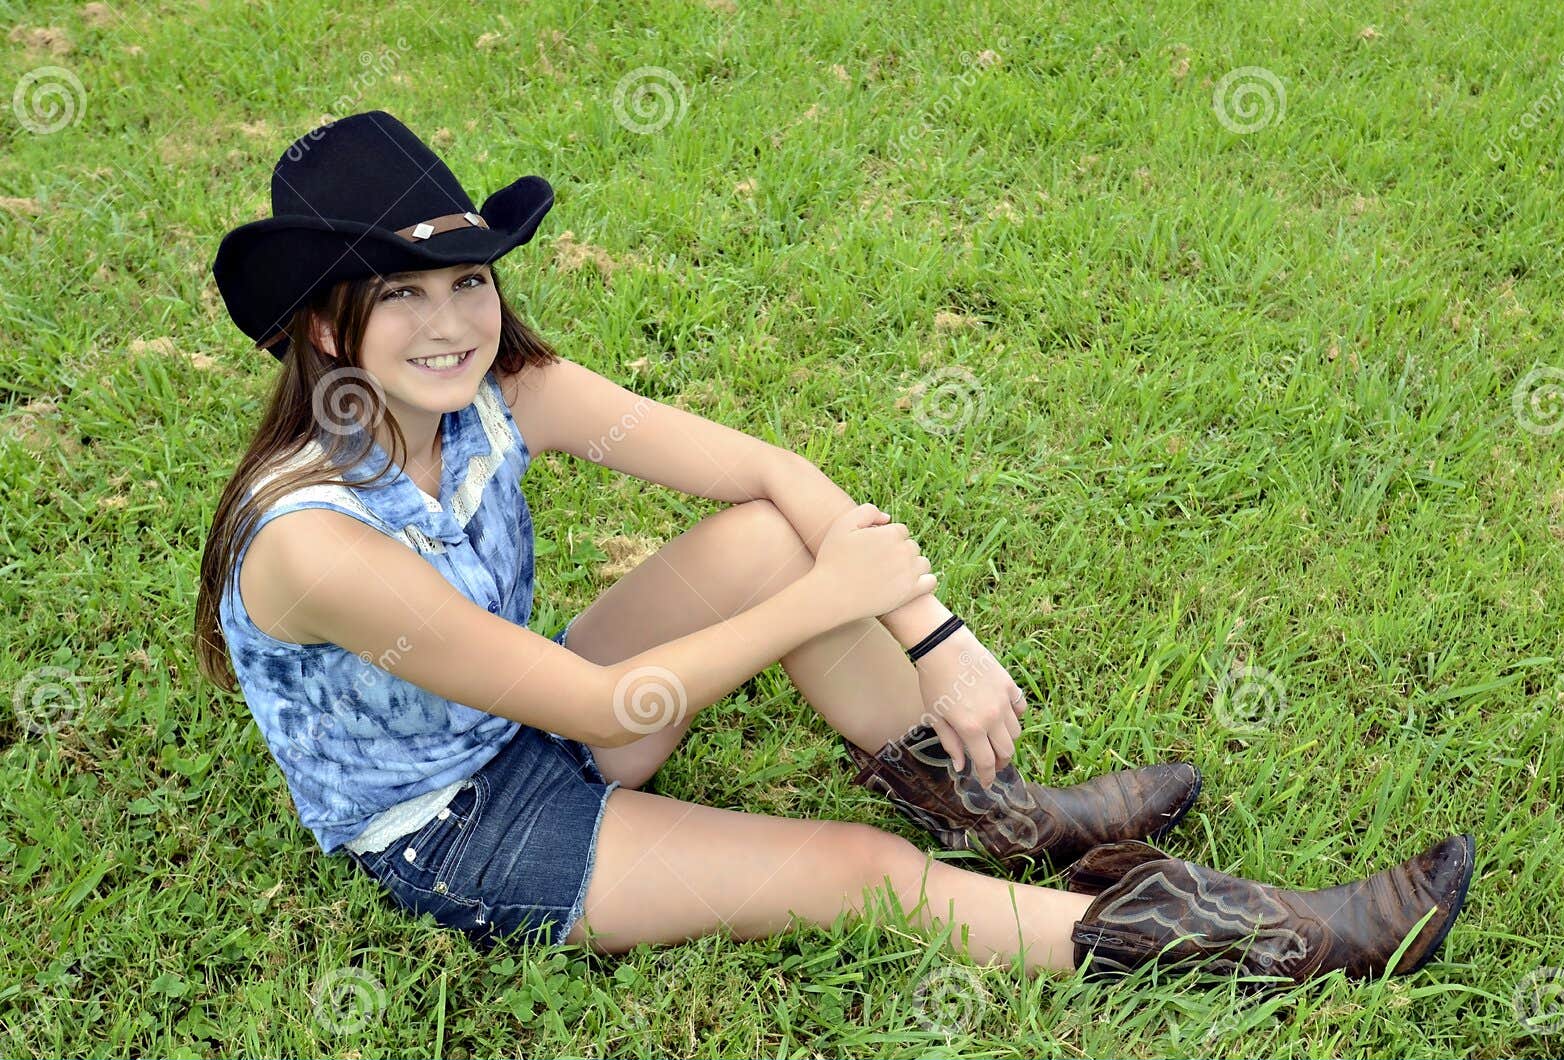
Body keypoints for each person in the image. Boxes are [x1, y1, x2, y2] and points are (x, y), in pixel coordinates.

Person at [193, 110, 1473, 989]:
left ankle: (994, 807)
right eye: (400, 294)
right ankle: (1261, 941)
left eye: (468, 277)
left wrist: (935, 635)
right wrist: (829, 592)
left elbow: (764, 472)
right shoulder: (314, 544)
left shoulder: (494, 392)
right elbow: (596, 699)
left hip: (531, 715)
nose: (452, 320)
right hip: (461, 825)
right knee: (849, 868)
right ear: (321, 330)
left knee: (759, 534)